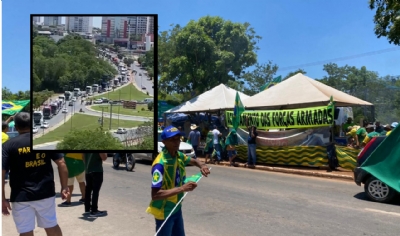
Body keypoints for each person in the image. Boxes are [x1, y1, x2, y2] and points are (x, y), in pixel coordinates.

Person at [2, 111, 69, 236]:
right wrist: (64, 186)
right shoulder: (41, 142)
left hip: (20, 196)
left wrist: (2, 198)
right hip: (45, 193)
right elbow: (62, 163)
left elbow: (2, 172)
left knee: (25, 231)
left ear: (16, 127)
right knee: (51, 226)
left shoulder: (7, 146)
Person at [146, 125, 210, 236]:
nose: (177, 142)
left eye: (178, 139)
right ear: (164, 142)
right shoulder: (160, 165)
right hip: (164, 211)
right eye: (172, 140)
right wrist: (182, 188)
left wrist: (202, 166)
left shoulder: (177, 155)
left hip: (176, 208)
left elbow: (193, 161)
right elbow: (155, 195)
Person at [83, 153, 107, 217]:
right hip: (97, 171)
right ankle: (94, 210)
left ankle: (87, 208)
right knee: (95, 191)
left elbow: (83, 157)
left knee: (88, 190)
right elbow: (104, 157)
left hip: (88, 170)